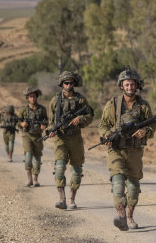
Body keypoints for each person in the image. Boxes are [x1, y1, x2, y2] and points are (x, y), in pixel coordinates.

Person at [99, 67, 156, 231]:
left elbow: (152, 124)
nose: (129, 87)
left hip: (135, 151)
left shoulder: (143, 106)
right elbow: (103, 125)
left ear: (136, 85)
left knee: (133, 188)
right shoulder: (113, 104)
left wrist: (146, 131)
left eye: (132, 84)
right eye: (126, 84)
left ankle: (130, 216)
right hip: (116, 150)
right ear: (121, 86)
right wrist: (106, 136)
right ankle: (121, 216)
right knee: (117, 183)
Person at [47, 71, 94, 210]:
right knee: (59, 167)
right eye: (66, 83)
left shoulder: (80, 100)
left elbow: (90, 115)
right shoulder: (55, 100)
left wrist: (79, 119)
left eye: (71, 83)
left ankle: (72, 198)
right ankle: (61, 199)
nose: (68, 85)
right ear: (62, 84)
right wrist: (51, 130)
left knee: (76, 170)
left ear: (74, 84)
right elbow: (50, 122)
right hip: (60, 138)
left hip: (75, 138)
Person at [18, 86, 48, 187]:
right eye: (30, 97)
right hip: (27, 135)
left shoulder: (42, 109)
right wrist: (22, 124)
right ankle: (29, 179)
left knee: (37, 159)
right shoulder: (23, 110)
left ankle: (35, 179)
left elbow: (46, 121)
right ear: (27, 98)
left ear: (37, 97)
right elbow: (18, 121)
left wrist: (44, 126)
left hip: (38, 136)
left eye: (34, 96)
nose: (32, 99)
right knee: (28, 156)